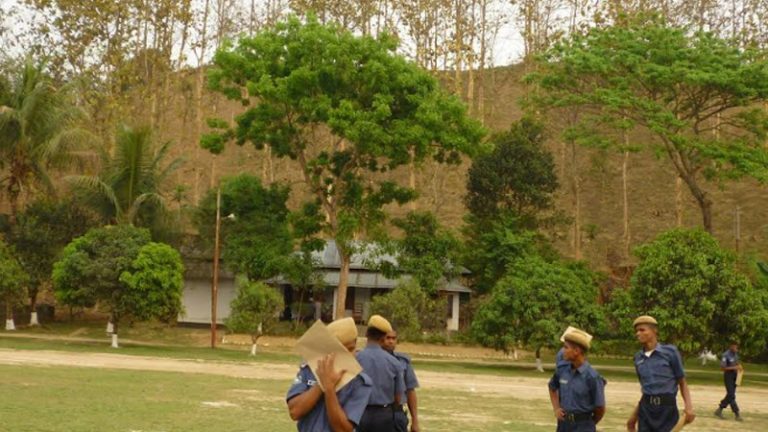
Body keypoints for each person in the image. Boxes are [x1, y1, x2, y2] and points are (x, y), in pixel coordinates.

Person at [286, 317, 372, 432]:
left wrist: (329, 389)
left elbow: (342, 429)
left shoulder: (360, 382)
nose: (347, 356)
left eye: (351, 349)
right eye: (341, 351)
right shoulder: (310, 369)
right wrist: (321, 384)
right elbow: (295, 412)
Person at [626, 316, 695, 432]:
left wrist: (689, 407)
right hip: (646, 409)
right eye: (636, 331)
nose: (638, 333)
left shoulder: (670, 352)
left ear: (654, 331)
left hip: (667, 409)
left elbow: (682, 382)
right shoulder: (638, 358)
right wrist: (634, 416)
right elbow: (646, 388)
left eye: (642, 330)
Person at [548, 327, 606, 432]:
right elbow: (552, 387)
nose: (562, 351)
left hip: (583, 426)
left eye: (566, 347)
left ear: (576, 351)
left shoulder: (592, 377)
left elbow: (600, 408)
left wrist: (588, 424)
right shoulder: (562, 370)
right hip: (563, 425)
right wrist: (556, 408)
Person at [356, 315, 406, 432]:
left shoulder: (355, 359)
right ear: (383, 338)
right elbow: (398, 397)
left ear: (366, 335)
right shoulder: (394, 362)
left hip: (358, 413)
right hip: (384, 416)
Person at [383, 329, 420, 432]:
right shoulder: (369, 359)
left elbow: (410, 391)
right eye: (388, 338)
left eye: (393, 338)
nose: (390, 341)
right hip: (376, 412)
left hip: (397, 413)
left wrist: (415, 420)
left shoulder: (403, 361)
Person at [714, 341, 743, 421]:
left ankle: (719, 410)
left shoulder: (735, 355)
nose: (736, 349)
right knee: (731, 395)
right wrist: (734, 368)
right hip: (728, 376)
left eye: (737, 347)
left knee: (731, 395)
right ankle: (737, 414)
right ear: (731, 346)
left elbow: (737, 364)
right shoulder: (725, 355)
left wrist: (739, 368)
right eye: (735, 347)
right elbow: (722, 368)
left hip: (735, 376)